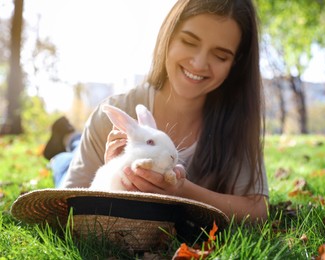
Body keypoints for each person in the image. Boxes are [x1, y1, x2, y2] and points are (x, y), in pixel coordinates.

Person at [44, 0, 269, 222]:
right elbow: (65, 204)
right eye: (189, 41)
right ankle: (68, 142)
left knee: (71, 151)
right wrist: (115, 172)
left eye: (220, 56)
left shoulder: (238, 123)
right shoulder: (112, 113)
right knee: (65, 163)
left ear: (235, 63)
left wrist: (181, 191)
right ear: (168, 36)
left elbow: (257, 210)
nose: (199, 63)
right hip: (84, 159)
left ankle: (70, 139)